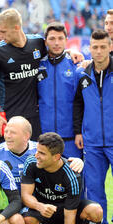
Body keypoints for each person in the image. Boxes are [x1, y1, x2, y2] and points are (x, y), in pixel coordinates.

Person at [0, 8, 83, 141]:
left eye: (3, 31)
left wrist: (69, 51)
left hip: (34, 116)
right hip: (8, 115)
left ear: (16, 27)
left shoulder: (37, 43)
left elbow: (54, 53)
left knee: (35, 158)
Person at [21, 133, 103, 224]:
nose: (36, 156)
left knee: (96, 211)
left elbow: (70, 216)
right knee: (28, 220)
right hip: (44, 212)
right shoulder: (31, 163)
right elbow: (26, 195)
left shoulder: (71, 174)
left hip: (68, 211)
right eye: (37, 151)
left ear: (56, 157)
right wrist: (39, 206)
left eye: (42, 153)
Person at [73, 29, 113, 224]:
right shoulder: (83, 74)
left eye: (103, 46)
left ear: (110, 47)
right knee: (95, 187)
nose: (99, 51)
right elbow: (78, 103)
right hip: (93, 142)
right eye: (95, 47)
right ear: (90, 48)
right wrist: (79, 131)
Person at [37, 22, 82, 159]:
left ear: (66, 40)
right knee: (44, 179)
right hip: (44, 139)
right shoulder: (37, 66)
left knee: (75, 178)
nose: (56, 43)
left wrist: (79, 132)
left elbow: (81, 103)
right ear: (45, 41)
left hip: (71, 139)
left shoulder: (76, 66)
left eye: (60, 38)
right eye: (52, 39)